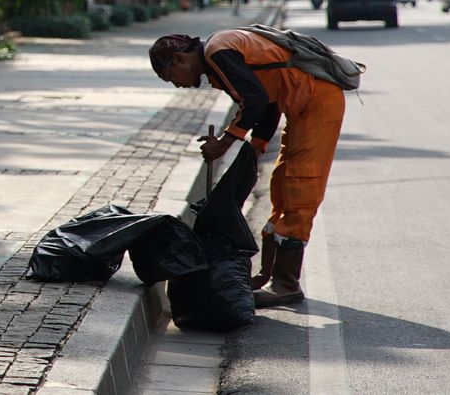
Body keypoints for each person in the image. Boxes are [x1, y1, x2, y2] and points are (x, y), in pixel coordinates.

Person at [147, 30, 345, 307]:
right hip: (301, 106)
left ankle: (286, 283)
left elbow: (255, 100)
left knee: (301, 184)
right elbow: (269, 99)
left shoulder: (217, 52)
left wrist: (225, 143)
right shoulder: (218, 58)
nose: (177, 86)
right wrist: (256, 145)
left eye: (171, 78)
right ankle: (269, 274)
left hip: (317, 103)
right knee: (281, 184)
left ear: (179, 59)